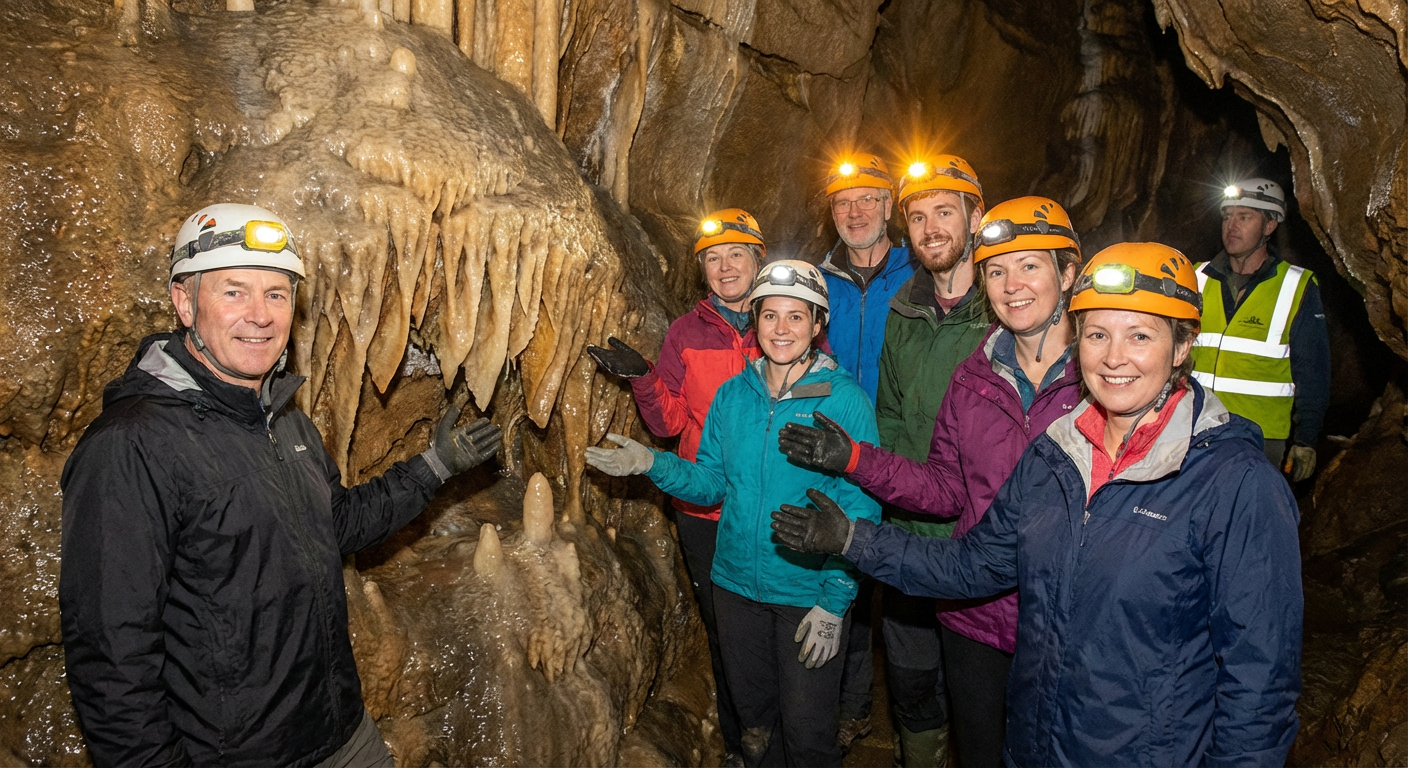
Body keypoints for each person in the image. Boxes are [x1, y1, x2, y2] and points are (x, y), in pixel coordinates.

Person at [772, 242, 1303, 766]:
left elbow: (1259, 680)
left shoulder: (1235, 485)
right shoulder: (1055, 457)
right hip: (1038, 740)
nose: (1114, 357)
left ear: (1182, 347)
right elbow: (972, 565)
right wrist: (853, 539)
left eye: (1139, 335)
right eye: (1097, 334)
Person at [60, 204, 502, 767]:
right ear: (183, 302)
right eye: (233, 292)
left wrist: (433, 466)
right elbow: (111, 656)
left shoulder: (283, 419)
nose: (260, 315)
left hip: (342, 732)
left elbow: (336, 523)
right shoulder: (131, 446)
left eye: (277, 294)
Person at [781, 197, 1084, 767]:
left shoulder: (1101, 384)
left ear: (1068, 274)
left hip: (1068, 618)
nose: (1011, 284)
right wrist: (855, 460)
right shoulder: (972, 380)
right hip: (972, 609)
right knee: (976, 746)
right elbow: (945, 484)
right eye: (997, 270)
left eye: (1030, 267)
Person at [586, 261, 881, 767]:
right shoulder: (732, 396)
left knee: (809, 734)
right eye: (770, 316)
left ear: (817, 325)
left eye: (796, 317)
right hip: (736, 589)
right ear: (756, 322)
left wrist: (835, 602)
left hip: (805, 592)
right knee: (756, 724)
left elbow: (860, 508)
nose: (781, 329)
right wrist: (650, 461)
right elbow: (711, 484)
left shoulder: (846, 401)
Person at [585, 208, 767, 764]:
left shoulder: (785, 319)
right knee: (723, 630)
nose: (725, 266)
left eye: (736, 254)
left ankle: (786, 736)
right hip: (703, 508)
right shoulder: (687, 333)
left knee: (772, 627)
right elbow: (666, 423)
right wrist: (643, 376)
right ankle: (742, 744)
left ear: (759, 259)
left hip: (766, 504)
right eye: (713, 259)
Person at [867, 155, 991, 766]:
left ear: (977, 216)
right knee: (913, 680)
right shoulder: (903, 309)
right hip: (911, 530)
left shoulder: (1005, 313)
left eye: (945, 211)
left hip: (978, 539)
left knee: (978, 694)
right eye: (918, 216)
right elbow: (889, 412)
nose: (931, 227)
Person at [816, 152, 915, 746]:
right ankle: (850, 706)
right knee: (840, 565)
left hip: (903, 449)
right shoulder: (815, 278)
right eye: (842, 202)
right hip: (835, 445)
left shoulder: (917, 272)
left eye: (867, 200)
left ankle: (916, 718)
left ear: (888, 207)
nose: (854, 212)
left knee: (904, 586)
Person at [1193, 178, 1330, 481]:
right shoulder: (1196, 277)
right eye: (1227, 216)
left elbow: (1313, 369)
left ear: (1269, 226)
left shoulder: (1297, 286)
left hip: (1260, 439)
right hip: (1193, 428)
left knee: (1247, 525)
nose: (1231, 225)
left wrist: (1306, 440)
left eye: (1244, 217)